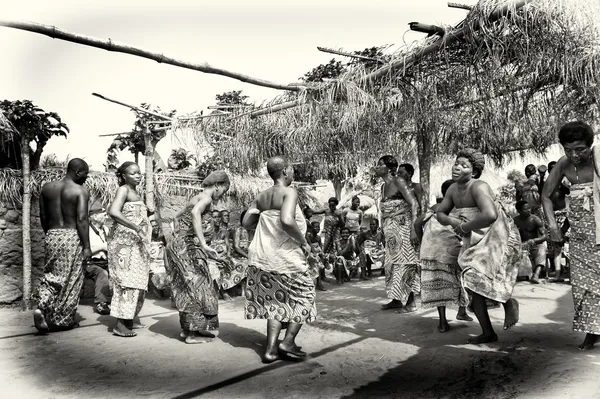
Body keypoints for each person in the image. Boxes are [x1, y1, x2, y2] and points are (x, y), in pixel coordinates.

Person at [437, 148, 521, 344]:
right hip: (474, 236)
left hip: (496, 235)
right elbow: (440, 214)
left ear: (473, 172)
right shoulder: (452, 189)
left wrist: (464, 226)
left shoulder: (479, 186)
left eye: (464, 165)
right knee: (472, 283)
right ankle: (488, 332)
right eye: (456, 163)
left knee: (477, 276)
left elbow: (490, 215)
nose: (457, 167)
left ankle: (508, 303)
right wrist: (455, 223)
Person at [243, 156, 316, 363]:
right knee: (305, 296)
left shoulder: (262, 195)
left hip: (262, 257)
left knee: (275, 301)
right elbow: (286, 220)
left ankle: (271, 350)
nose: (293, 174)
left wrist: (262, 212)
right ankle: (288, 342)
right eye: (292, 170)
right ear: (285, 171)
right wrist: (304, 243)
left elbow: (247, 221)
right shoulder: (289, 192)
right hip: (285, 257)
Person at [541, 121, 600, 350]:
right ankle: (591, 332)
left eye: (580, 149)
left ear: (590, 145)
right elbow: (546, 196)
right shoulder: (564, 165)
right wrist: (554, 228)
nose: (574, 155)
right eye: (568, 149)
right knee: (583, 286)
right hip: (580, 239)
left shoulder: (598, 160)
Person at [165, 170, 230, 344]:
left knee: (189, 287)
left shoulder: (197, 196)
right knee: (198, 287)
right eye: (224, 189)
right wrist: (202, 243)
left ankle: (190, 330)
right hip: (187, 249)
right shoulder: (206, 198)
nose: (223, 194)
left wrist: (178, 232)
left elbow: (176, 216)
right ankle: (192, 334)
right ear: (217, 186)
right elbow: (195, 214)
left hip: (180, 247)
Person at [33, 158, 92, 333]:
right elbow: (82, 219)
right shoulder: (80, 191)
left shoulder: (47, 188)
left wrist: (50, 234)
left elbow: (43, 216)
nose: (86, 179)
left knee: (52, 276)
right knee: (71, 280)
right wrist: (87, 246)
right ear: (78, 172)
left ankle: (41, 307)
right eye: (85, 175)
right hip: (72, 236)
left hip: (52, 235)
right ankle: (64, 320)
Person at [417, 179, 472, 333]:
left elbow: (416, 224)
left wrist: (424, 243)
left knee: (438, 285)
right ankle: (461, 311)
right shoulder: (460, 210)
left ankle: (443, 322)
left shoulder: (434, 208)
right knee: (463, 279)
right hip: (451, 253)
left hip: (431, 253)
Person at [107, 162, 151, 338]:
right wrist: (135, 227)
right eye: (133, 173)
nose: (138, 176)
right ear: (124, 176)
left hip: (136, 245)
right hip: (124, 244)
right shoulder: (123, 190)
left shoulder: (137, 192)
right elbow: (114, 212)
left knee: (137, 281)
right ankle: (120, 324)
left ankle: (129, 319)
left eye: (139, 173)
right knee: (126, 282)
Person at [374, 155, 420, 313]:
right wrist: (381, 230)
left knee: (406, 263)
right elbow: (384, 210)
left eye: (380, 164)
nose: (377, 167)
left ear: (389, 168)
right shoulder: (382, 187)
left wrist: (414, 228)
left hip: (403, 228)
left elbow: (413, 203)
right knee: (391, 265)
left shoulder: (398, 181)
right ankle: (396, 300)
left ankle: (411, 302)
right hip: (389, 231)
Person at [545, 161, 571, 282]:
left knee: (568, 245)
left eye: (554, 168)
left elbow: (570, 191)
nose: (553, 170)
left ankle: (571, 274)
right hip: (552, 217)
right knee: (557, 247)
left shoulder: (564, 182)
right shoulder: (547, 184)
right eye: (550, 168)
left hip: (564, 215)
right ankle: (557, 275)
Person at [513, 200, 547, 284]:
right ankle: (513, 275)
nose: (528, 210)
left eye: (529, 208)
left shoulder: (535, 219)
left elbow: (545, 236)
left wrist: (534, 240)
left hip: (534, 245)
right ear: (519, 211)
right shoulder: (514, 221)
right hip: (521, 245)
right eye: (525, 209)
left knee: (542, 249)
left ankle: (536, 275)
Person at [87, 207, 112, 315]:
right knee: (102, 273)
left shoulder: (106, 229)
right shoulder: (86, 230)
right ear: (94, 217)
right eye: (104, 214)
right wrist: (102, 246)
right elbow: (85, 251)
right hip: (90, 263)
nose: (106, 217)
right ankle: (101, 303)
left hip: (105, 262)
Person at [305, 220, 327, 291]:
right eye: (316, 227)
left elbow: (320, 248)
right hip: (309, 254)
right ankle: (319, 283)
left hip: (316, 254)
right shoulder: (308, 235)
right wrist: (314, 254)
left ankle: (321, 278)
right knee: (316, 261)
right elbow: (309, 246)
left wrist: (321, 254)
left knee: (322, 258)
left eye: (319, 227)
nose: (318, 228)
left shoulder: (318, 237)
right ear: (311, 228)